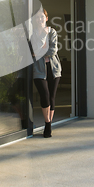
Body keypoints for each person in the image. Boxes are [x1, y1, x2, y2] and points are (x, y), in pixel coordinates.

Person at [31, 8, 62, 138]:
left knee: (51, 97)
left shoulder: (52, 32)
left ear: (46, 18)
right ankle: (47, 122)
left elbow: (53, 50)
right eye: (37, 17)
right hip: (38, 69)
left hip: (53, 68)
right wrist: (42, 50)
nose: (40, 19)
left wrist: (38, 52)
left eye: (42, 16)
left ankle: (48, 124)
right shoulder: (32, 35)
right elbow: (30, 51)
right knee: (44, 94)